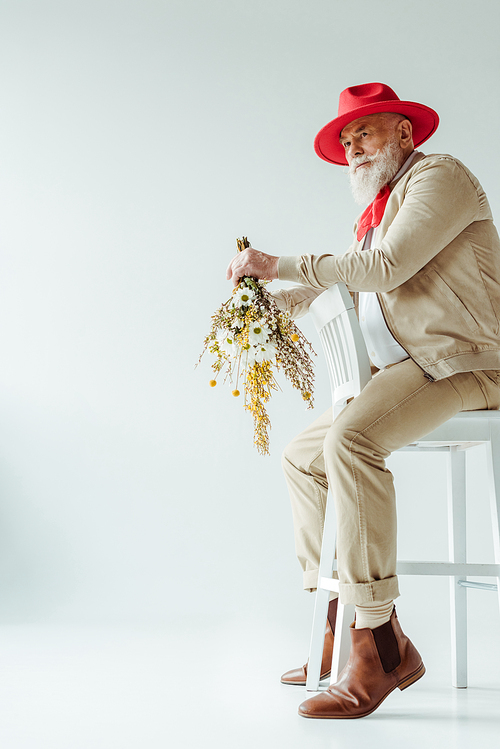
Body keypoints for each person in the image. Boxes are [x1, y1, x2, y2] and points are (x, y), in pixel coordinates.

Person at [225, 82, 500, 719]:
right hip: (412, 370)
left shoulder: (440, 179)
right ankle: (352, 627)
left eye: (365, 134)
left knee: (351, 441)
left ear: (404, 133)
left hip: (463, 363)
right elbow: (353, 290)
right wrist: (264, 301)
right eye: (347, 141)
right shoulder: (377, 212)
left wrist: (279, 262)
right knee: (304, 455)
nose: (353, 149)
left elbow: (385, 270)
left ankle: (374, 648)